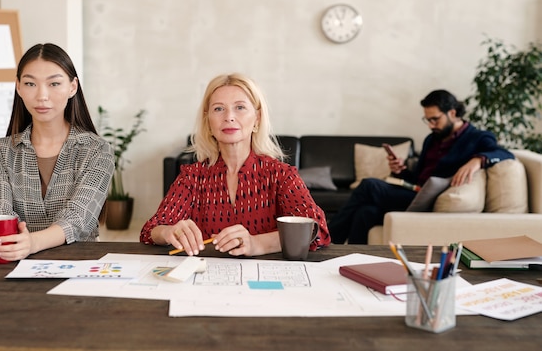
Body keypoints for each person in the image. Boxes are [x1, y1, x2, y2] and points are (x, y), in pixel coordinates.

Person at [140, 73, 330, 256]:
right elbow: (150, 230)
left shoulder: (281, 175)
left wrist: (257, 244)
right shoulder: (192, 176)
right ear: (208, 122)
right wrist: (167, 232)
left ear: (257, 118)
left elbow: (316, 229)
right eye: (218, 109)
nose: (229, 117)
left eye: (240, 107)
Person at [0, 43, 114, 262]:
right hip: (16, 263)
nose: (42, 96)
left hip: (79, 263)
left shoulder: (98, 150)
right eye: (30, 83)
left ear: (72, 87)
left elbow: (78, 219)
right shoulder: (2, 152)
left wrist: (31, 243)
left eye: (54, 83)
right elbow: (0, 210)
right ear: (19, 87)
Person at [329, 89, 514, 244]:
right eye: (428, 120)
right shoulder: (432, 139)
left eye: (435, 119)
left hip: (431, 199)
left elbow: (505, 154)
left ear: (452, 113)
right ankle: (350, 258)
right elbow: (417, 178)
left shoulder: (477, 138)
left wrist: (478, 160)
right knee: (365, 212)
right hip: (415, 193)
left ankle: (327, 238)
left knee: (369, 185)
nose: (431, 125)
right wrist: (401, 171)